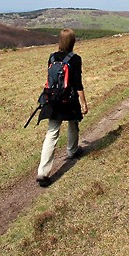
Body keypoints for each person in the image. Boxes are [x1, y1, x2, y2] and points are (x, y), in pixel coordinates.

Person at [36, 28, 89, 187]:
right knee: (73, 122)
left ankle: (43, 173)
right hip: (69, 100)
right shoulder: (75, 59)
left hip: (53, 99)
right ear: (72, 41)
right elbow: (77, 83)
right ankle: (72, 151)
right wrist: (84, 103)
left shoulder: (52, 57)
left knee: (52, 133)